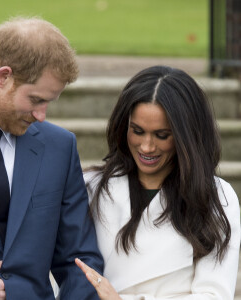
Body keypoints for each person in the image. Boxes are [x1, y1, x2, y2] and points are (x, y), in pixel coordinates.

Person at [0, 17, 103, 299]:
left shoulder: (59, 147)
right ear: (3, 77)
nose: (42, 115)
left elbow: (80, 260)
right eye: (36, 100)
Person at [75, 65, 240, 300]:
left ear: (186, 136)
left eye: (162, 135)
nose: (147, 147)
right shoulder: (91, 187)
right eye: (137, 131)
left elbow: (214, 295)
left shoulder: (216, 197)